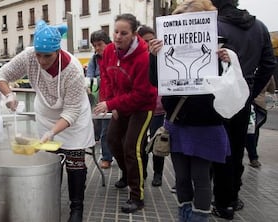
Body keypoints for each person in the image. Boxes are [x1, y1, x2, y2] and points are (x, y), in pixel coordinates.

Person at [0, 20, 95, 222]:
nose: (41, 60)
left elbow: (72, 111)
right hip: (47, 116)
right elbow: (0, 75)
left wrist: (53, 132)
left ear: (57, 51)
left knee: (74, 162)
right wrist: (9, 95)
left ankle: (76, 209)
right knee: (50, 162)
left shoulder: (73, 70)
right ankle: (48, 203)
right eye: (38, 54)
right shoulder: (30, 55)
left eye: (47, 56)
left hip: (73, 120)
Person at [148, 0, 234, 220]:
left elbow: (228, 86)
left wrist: (227, 62)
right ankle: (184, 215)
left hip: (206, 123)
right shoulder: (166, 48)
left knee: (201, 176)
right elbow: (156, 81)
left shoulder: (218, 48)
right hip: (178, 122)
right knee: (182, 178)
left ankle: (199, 217)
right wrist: (153, 57)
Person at [210, 0, 277, 219]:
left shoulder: (214, 25)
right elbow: (268, 64)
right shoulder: (260, 27)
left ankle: (221, 202)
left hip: (216, 96)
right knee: (237, 148)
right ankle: (232, 197)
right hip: (243, 95)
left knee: (219, 149)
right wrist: (249, 89)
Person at [93, 13, 156, 213]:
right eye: (116, 32)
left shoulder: (144, 57)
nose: (118, 37)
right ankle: (128, 175)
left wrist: (112, 103)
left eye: (124, 33)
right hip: (121, 105)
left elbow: (141, 94)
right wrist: (112, 104)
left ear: (134, 34)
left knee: (132, 148)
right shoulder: (110, 50)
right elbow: (107, 77)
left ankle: (137, 197)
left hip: (142, 107)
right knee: (112, 140)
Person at [138, 25, 166, 186]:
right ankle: (143, 172)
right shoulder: (137, 59)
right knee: (141, 144)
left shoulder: (161, 57)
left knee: (158, 143)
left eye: (151, 40)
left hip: (158, 109)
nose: (149, 44)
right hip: (142, 108)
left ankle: (158, 174)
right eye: (146, 41)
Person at [86, 30, 114, 169]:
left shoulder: (116, 54)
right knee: (105, 131)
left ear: (107, 43)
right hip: (102, 99)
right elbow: (89, 78)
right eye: (94, 45)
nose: (97, 48)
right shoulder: (94, 59)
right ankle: (107, 157)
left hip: (118, 98)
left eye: (100, 44)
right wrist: (89, 86)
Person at [246, 77, 275, 168]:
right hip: (260, 105)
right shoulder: (267, 71)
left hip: (246, 101)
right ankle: (253, 155)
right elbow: (272, 89)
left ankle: (253, 155)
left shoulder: (246, 66)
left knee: (249, 130)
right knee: (254, 129)